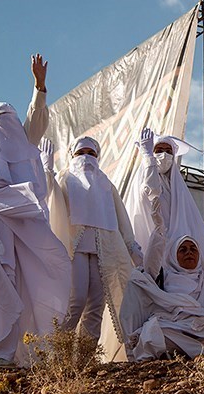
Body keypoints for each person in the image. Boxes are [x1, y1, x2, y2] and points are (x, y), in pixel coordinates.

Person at [0, 54, 71, 368]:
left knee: (13, 281)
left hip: (16, 224)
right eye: (0, 117)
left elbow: (35, 121)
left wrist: (39, 85)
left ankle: (6, 352)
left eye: (10, 117)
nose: (6, 123)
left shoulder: (21, 142)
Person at [118, 188, 204, 360]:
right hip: (175, 328)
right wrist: (159, 229)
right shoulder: (164, 278)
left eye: (193, 249)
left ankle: (194, 351)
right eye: (183, 249)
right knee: (153, 334)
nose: (189, 252)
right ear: (173, 256)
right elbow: (151, 264)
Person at [46, 135, 143, 361]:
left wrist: (131, 245)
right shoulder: (64, 178)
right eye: (81, 153)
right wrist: (47, 172)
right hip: (75, 248)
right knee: (75, 301)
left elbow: (121, 218)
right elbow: (53, 203)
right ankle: (58, 358)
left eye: (91, 154)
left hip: (104, 249)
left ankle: (85, 360)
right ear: (72, 156)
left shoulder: (106, 184)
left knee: (96, 306)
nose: (86, 158)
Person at [125, 127, 204, 278]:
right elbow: (152, 191)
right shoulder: (144, 177)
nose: (164, 155)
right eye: (159, 150)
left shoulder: (178, 188)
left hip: (177, 255)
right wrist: (148, 159)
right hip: (151, 248)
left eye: (168, 151)